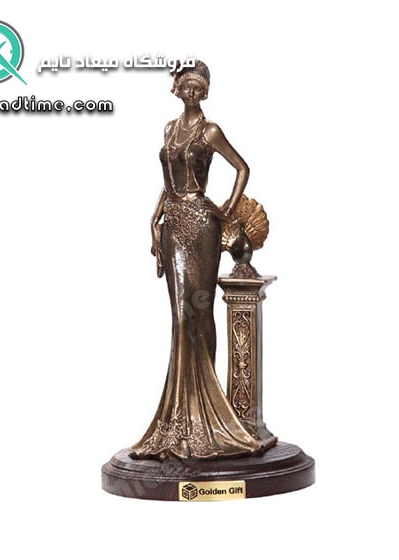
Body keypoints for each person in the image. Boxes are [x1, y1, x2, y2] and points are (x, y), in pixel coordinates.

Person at [130, 61, 262, 461]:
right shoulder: (170, 130)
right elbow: (168, 181)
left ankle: (208, 413)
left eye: (197, 87)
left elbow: (242, 168)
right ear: (178, 90)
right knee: (178, 317)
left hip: (202, 225)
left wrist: (226, 209)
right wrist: (156, 214)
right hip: (173, 224)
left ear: (205, 92)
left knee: (197, 312)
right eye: (186, 86)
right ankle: (179, 415)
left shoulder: (210, 131)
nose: (191, 92)